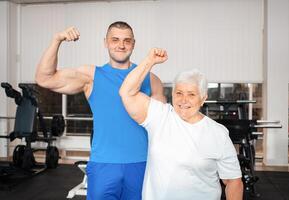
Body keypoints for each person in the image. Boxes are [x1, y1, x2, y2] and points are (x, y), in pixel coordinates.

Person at [35, 22, 165, 200]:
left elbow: (162, 127)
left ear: (134, 44)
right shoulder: (91, 76)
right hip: (103, 164)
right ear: (106, 42)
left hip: (141, 164)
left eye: (127, 40)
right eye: (115, 40)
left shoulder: (152, 79)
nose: (121, 45)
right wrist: (57, 40)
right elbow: (45, 78)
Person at [119, 48, 243, 200]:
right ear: (172, 95)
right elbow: (127, 92)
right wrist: (149, 61)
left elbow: (233, 181)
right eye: (179, 93)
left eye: (191, 94)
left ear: (203, 99)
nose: (184, 100)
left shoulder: (218, 133)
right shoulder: (160, 116)